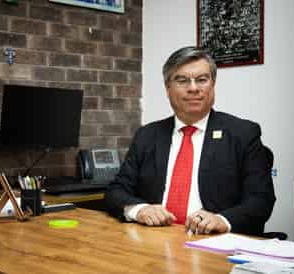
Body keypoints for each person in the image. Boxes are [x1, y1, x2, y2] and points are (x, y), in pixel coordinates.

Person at [104, 46, 276, 236]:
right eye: (182, 80)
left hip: (214, 242)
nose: (193, 88)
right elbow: (116, 191)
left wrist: (222, 220)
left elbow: (261, 200)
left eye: (202, 80)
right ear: (167, 88)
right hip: (155, 241)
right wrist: (140, 210)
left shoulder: (243, 134)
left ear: (212, 84)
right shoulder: (147, 135)